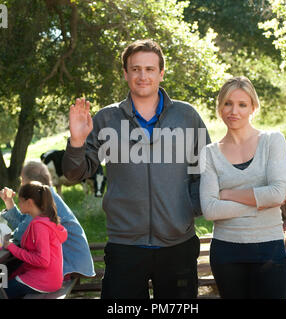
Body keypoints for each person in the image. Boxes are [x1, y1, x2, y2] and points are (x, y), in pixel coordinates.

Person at [62, 39, 211, 299]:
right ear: (125, 73)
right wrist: (76, 141)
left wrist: (189, 208)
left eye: (150, 69)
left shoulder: (187, 116)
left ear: (161, 73)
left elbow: (206, 169)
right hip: (125, 245)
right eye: (136, 69)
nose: (143, 76)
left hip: (178, 244)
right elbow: (75, 173)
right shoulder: (106, 119)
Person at [199, 76, 286, 299]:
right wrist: (265, 202)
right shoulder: (209, 153)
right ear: (220, 108)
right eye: (228, 103)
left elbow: (278, 193)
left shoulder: (272, 141)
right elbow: (210, 210)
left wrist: (228, 194)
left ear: (253, 108)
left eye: (242, 104)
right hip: (226, 251)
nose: (234, 111)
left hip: (269, 247)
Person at [0, 161, 95, 279]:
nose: (20, 186)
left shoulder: (43, 202)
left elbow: (22, 234)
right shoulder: (46, 195)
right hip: (70, 260)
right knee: (13, 269)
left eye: (22, 181)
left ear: (30, 183)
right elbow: (24, 225)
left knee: (8, 271)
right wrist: (9, 201)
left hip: (69, 263)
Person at [3, 181, 67, 299]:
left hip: (44, 281)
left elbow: (43, 260)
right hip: (51, 279)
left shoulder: (39, 225)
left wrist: (11, 247)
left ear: (29, 202)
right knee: (5, 283)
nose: (19, 204)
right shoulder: (46, 220)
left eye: (20, 201)